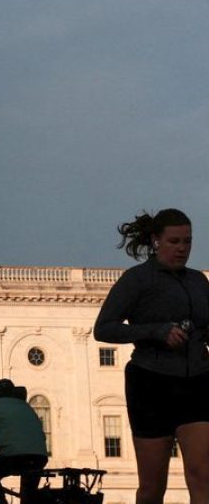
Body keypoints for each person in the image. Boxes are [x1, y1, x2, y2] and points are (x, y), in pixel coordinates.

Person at [94, 208, 209, 504]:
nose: (182, 248)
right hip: (151, 385)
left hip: (196, 381)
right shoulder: (137, 280)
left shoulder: (198, 281)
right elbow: (103, 329)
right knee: (152, 486)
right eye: (174, 241)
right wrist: (156, 332)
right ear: (156, 241)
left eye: (187, 241)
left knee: (203, 475)